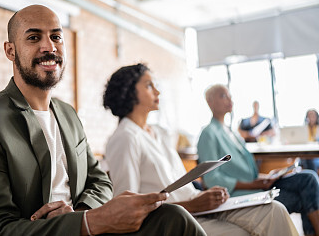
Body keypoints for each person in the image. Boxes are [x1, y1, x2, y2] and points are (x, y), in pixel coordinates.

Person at [0, 5, 205, 236]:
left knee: (174, 217)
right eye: (33, 38)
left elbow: (100, 181)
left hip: (88, 228)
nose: (49, 47)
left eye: (56, 36)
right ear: (10, 51)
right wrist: (88, 222)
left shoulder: (67, 113)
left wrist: (83, 214)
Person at [103, 64, 297, 236]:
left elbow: (178, 184)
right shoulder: (125, 138)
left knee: (274, 209)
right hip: (173, 218)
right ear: (129, 93)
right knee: (244, 231)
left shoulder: (158, 133)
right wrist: (190, 205)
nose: (157, 92)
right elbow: (127, 209)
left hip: (195, 207)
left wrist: (206, 197)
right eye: (148, 85)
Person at [197, 84, 319, 236]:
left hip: (256, 186)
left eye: (230, 95)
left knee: (308, 178)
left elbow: (247, 174)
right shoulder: (208, 134)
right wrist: (253, 184)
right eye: (223, 96)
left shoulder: (232, 133)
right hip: (241, 195)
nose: (229, 99)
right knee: (305, 197)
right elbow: (212, 178)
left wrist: (266, 177)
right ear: (209, 102)